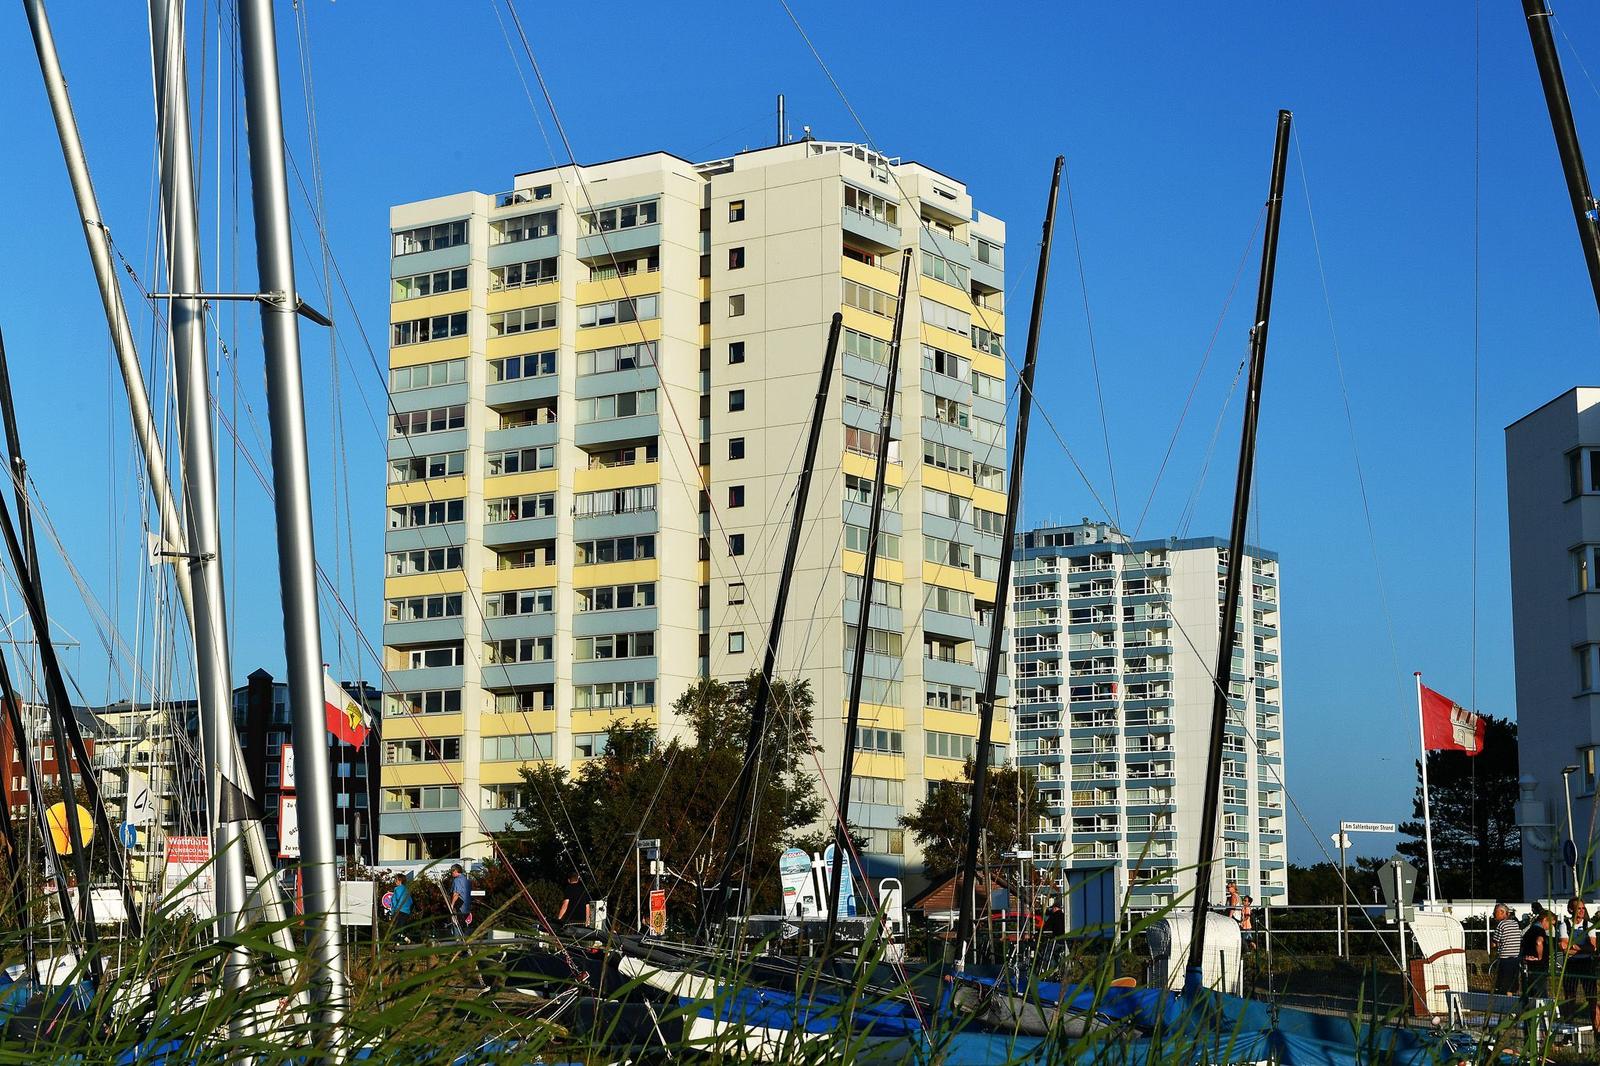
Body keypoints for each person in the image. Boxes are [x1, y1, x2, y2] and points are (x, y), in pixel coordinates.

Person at [1558, 897, 1599, 1030]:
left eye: (1583, 908)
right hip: (1571, 964)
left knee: (1592, 1000)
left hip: (1587, 963)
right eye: (1578, 908)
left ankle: (1597, 1032)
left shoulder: (1589, 925)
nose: (1581, 911)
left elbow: (1592, 948)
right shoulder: (1565, 925)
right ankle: (1568, 1034)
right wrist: (1581, 948)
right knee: (1570, 999)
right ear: (1571, 910)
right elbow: (1564, 947)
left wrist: (1573, 946)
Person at [1523, 905, 1554, 1003]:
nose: (1550, 927)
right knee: (1540, 991)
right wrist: (1540, 957)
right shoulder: (1540, 931)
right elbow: (1539, 942)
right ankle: (1543, 1013)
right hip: (1539, 966)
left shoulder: (1530, 930)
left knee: (1531, 990)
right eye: (1550, 924)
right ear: (1545, 919)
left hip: (1529, 964)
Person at [1490, 902, 1521, 995]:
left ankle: (1503, 1005)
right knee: (1511, 985)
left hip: (1504, 958)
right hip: (1515, 958)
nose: (1493, 914)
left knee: (1503, 984)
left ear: (1502, 912)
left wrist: (1494, 943)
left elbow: (1494, 943)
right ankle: (1510, 1002)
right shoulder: (1515, 923)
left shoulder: (1501, 925)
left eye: (1495, 912)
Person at [447, 863, 474, 939]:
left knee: (456, 924)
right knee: (464, 926)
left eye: (452, 871)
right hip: (467, 907)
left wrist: (451, 905)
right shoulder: (465, 879)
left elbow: (456, 894)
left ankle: (457, 942)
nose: (451, 873)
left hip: (459, 906)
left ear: (455, 871)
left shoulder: (457, 880)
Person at [388, 872, 414, 942]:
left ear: (400, 880)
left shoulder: (398, 889)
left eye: (396, 880)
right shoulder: (406, 889)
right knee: (399, 929)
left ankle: (398, 945)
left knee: (395, 930)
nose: (395, 881)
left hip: (399, 912)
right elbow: (411, 901)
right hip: (406, 912)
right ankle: (404, 940)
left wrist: (396, 910)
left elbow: (400, 900)